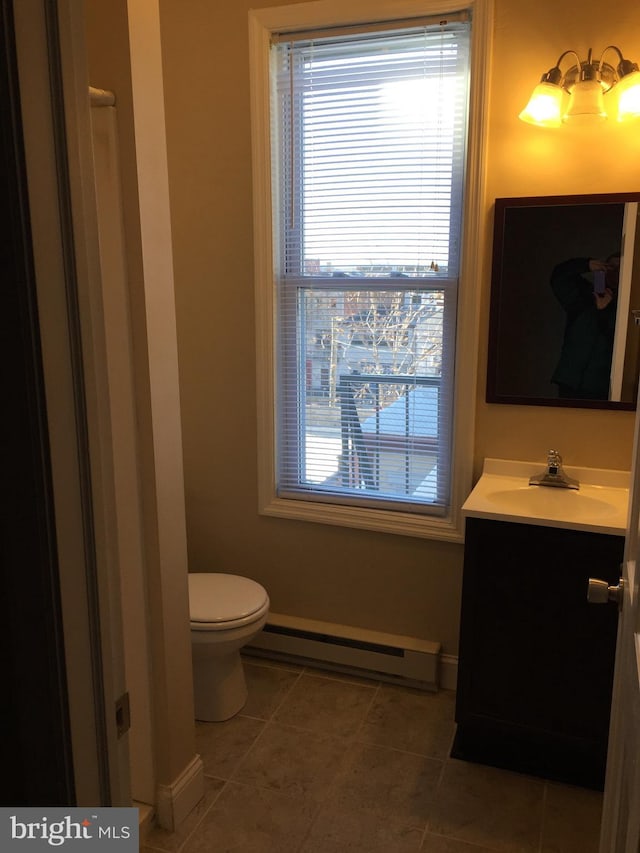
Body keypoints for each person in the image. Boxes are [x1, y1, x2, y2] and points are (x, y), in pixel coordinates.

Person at [550, 253, 621, 400]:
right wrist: (586, 264)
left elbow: (617, 342)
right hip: (570, 381)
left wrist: (603, 311)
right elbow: (559, 278)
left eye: (621, 268)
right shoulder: (584, 296)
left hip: (600, 387)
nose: (615, 272)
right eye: (611, 267)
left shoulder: (626, 306)